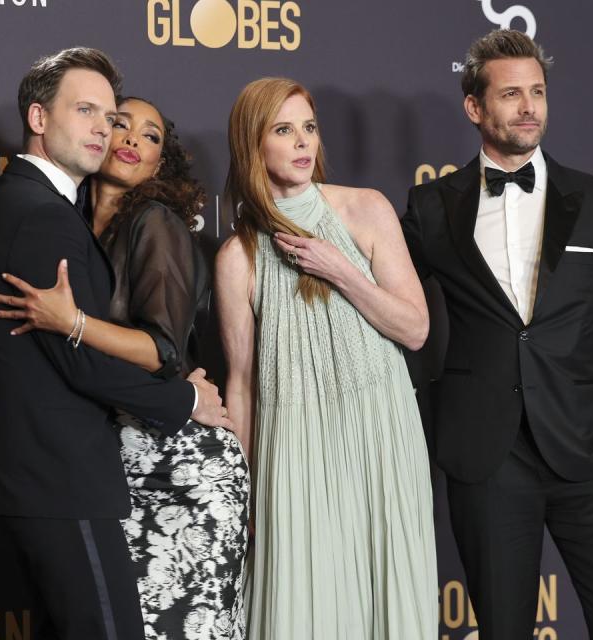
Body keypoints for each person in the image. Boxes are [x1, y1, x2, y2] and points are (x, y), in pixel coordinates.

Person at [0, 97, 248, 639]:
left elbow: (164, 351)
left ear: (162, 163)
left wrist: (73, 321)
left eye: (150, 136)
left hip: (174, 460)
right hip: (104, 462)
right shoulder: (61, 221)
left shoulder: (156, 224)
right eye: (117, 124)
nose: (130, 138)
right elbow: (17, 357)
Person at [402, 30, 593, 639]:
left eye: (536, 92)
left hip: (590, 452)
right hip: (488, 457)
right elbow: (393, 311)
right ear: (475, 108)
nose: (528, 107)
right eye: (510, 93)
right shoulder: (432, 206)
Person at [215, 77, 437, 640]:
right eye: (283, 130)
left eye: (308, 128)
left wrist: (339, 268)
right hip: (293, 449)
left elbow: (415, 329)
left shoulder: (366, 209)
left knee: (386, 597)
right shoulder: (237, 256)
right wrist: (246, 492)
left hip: (379, 434)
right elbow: (240, 385)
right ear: (252, 144)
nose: (301, 142)